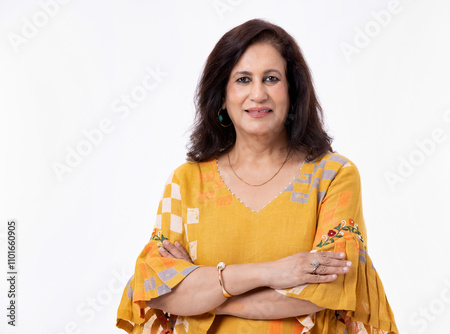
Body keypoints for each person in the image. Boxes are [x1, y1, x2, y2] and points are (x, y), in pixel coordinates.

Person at [116, 19, 398, 334]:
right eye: (243, 79)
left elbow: (328, 289)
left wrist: (206, 293)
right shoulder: (186, 182)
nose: (258, 93)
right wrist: (274, 272)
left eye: (271, 78)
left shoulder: (333, 176)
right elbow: (155, 288)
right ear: (222, 95)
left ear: (292, 92)